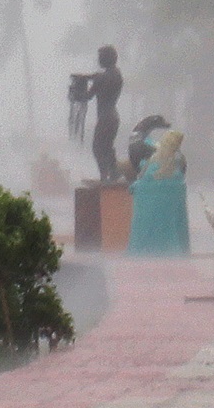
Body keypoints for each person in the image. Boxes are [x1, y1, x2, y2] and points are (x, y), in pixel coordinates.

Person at [127, 128, 191, 255]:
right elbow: (181, 177)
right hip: (171, 206)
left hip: (149, 205)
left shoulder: (153, 160)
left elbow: (142, 179)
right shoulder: (178, 161)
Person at [72, 46, 125, 182]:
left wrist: (75, 94)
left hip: (105, 118)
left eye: (100, 57)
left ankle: (104, 176)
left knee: (98, 148)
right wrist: (85, 77)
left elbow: (87, 96)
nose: (99, 60)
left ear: (106, 58)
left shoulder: (102, 78)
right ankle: (114, 173)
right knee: (108, 146)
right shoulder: (116, 74)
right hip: (113, 117)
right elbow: (97, 76)